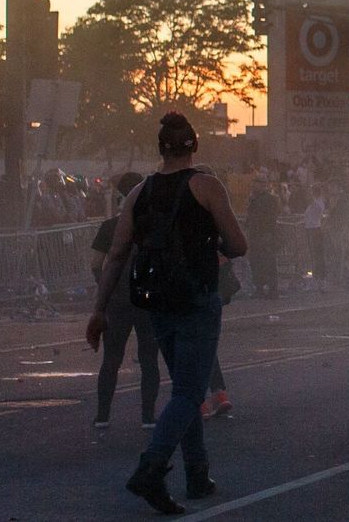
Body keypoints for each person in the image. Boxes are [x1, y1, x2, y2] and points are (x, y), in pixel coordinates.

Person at [86, 113, 247, 515]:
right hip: (197, 298)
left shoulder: (138, 193)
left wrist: (98, 309)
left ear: (160, 150)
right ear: (194, 146)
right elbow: (239, 244)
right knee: (191, 392)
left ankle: (196, 475)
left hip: (157, 302)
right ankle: (151, 467)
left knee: (182, 389)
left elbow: (117, 254)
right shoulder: (206, 186)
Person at [90, 172, 161, 430]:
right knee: (149, 359)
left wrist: (106, 288)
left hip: (117, 303)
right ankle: (148, 416)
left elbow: (96, 265)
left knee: (111, 359)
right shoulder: (154, 226)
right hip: (147, 301)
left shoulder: (110, 227)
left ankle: (102, 415)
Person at [245, 176, 281, 300]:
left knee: (268, 261)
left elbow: (271, 218)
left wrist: (269, 234)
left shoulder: (270, 199)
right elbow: (249, 216)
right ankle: (259, 288)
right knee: (256, 262)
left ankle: (273, 289)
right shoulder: (253, 199)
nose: (254, 186)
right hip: (254, 235)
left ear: (263, 185)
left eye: (257, 184)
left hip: (265, 235)